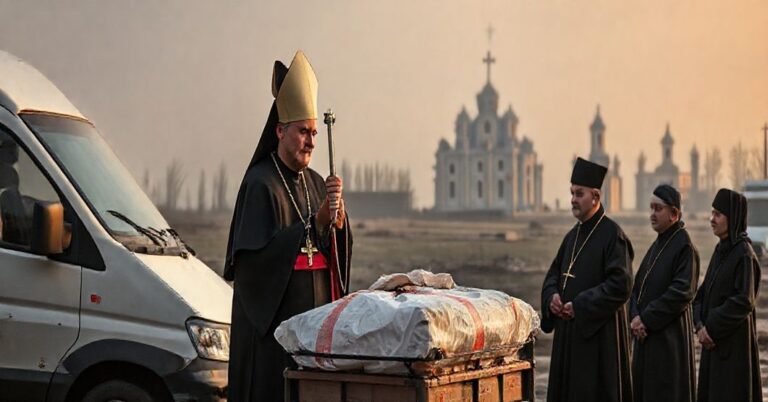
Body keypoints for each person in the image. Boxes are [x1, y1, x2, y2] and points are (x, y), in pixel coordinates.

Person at [224, 50, 352, 402]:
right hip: (273, 340)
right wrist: (315, 223)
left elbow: (332, 255)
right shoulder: (260, 184)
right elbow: (253, 269)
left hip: (313, 337)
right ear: (280, 131)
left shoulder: (314, 182)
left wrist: (337, 226)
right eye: (302, 132)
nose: (310, 141)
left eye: (313, 132)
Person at [540, 157, 634, 402]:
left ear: (595, 196)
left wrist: (580, 305)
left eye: (578, 193)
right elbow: (553, 274)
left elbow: (621, 285)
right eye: (571, 193)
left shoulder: (613, 236)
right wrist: (552, 297)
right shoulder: (572, 236)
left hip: (599, 343)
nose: (572, 199)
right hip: (568, 339)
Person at [629, 184, 699, 402]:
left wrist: (646, 319)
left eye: (658, 209)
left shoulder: (684, 247)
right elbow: (636, 289)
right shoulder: (657, 245)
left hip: (670, 344)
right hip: (646, 341)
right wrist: (633, 318)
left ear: (674, 213)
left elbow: (681, 292)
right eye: (651, 208)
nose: (652, 214)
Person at [693, 188, 761, 402]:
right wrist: (699, 326)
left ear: (733, 218)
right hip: (712, 345)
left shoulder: (743, 254)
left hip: (733, 350)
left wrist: (711, 327)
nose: (712, 219)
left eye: (718, 215)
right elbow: (702, 294)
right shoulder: (721, 250)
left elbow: (743, 300)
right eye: (712, 213)